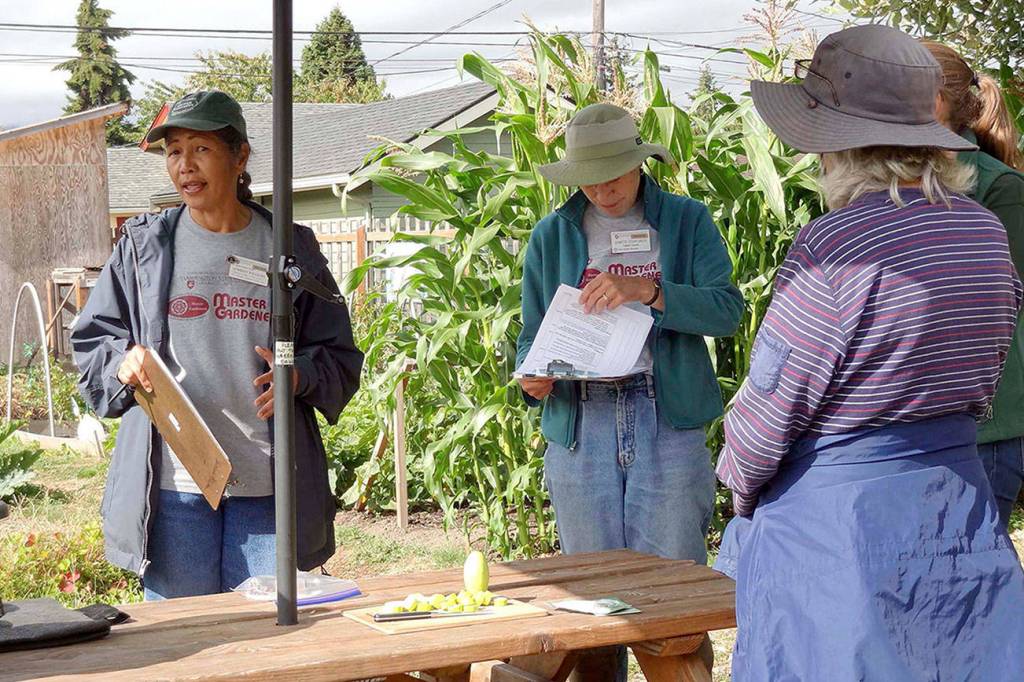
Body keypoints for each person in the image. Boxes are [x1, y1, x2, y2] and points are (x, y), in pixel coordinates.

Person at [714, 25, 1024, 680]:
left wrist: (741, 496)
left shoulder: (833, 245)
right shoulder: (984, 232)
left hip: (836, 538)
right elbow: (985, 375)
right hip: (958, 514)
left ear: (838, 146)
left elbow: (763, 426)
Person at [72, 91, 363, 600]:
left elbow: (339, 356)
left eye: (201, 149)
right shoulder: (144, 247)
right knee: (187, 637)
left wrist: (300, 375)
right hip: (173, 488)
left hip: (269, 490)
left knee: (273, 634)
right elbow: (94, 340)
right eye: (173, 151)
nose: (184, 165)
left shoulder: (290, 249)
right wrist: (122, 362)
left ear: (239, 156)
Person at [518, 102, 743, 679]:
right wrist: (532, 377)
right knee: (591, 604)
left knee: (674, 602)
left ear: (640, 163)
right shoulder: (550, 236)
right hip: (580, 424)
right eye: (588, 180)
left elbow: (727, 311)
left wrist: (650, 291)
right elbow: (530, 336)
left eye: (613, 176)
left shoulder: (687, 220)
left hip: (666, 419)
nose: (602, 190)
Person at [924, 40, 1024, 531]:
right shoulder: (894, 180)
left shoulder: (999, 188)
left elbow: (1003, 307)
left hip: (983, 431)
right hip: (924, 424)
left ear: (936, 101)